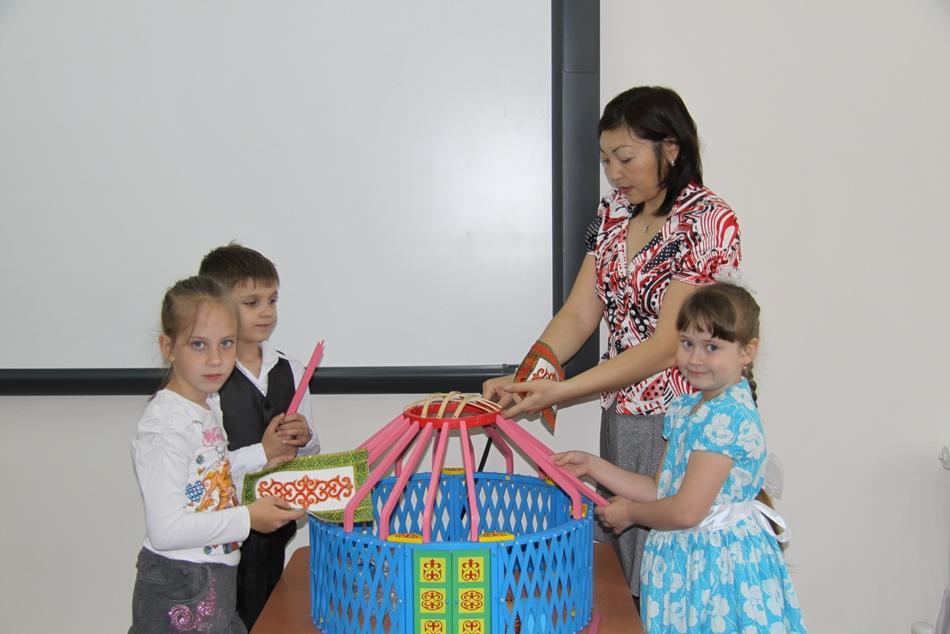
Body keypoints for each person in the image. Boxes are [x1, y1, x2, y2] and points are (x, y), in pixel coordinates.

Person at [483, 86, 742, 598]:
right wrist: (529, 377)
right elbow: (579, 313)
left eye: (625, 157)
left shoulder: (707, 218)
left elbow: (668, 344)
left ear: (671, 148)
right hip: (621, 415)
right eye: (606, 161)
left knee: (668, 576)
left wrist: (560, 391)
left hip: (682, 419)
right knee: (626, 575)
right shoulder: (613, 213)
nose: (614, 174)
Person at [553, 283, 806, 633]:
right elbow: (660, 489)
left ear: (747, 352)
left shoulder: (727, 416)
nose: (695, 358)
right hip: (689, 564)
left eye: (711, 347)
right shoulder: (688, 407)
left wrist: (630, 513)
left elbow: (686, 510)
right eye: (687, 343)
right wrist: (593, 465)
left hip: (717, 570)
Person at [130, 276, 305, 633]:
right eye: (198, 344)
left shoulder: (206, 406)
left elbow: (210, 475)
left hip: (214, 578)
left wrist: (262, 457)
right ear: (168, 347)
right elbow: (166, 530)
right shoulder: (166, 424)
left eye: (226, 343)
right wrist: (248, 518)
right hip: (180, 585)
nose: (215, 359)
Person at [198, 242, 320, 629]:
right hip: (221, 539)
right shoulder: (206, 380)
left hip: (274, 535)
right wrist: (262, 451)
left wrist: (305, 438)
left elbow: (311, 452)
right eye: (252, 302)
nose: (266, 311)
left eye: (272, 300)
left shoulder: (292, 369)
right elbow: (203, 473)